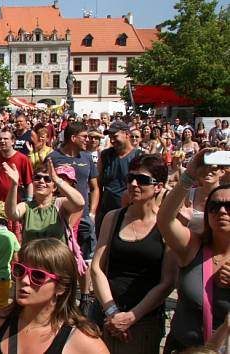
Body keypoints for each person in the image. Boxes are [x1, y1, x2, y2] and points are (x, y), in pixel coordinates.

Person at [91, 154, 178, 354]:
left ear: (159, 186)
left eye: (143, 180)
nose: (134, 184)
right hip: (105, 312)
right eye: (130, 178)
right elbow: (97, 267)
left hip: (144, 320)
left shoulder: (167, 225)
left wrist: (131, 317)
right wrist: (112, 311)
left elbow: (167, 281)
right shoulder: (113, 218)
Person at [0, 238, 109, 354]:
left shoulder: (83, 342)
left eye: (38, 275)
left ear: (61, 287)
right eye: (20, 270)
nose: (24, 280)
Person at [158, 149, 230, 353]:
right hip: (181, 347)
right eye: (215, 206)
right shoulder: (194, 247)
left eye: (229, 206)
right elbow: (165, 220)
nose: (222, 211)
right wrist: (188, 176)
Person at [49, 122, 100, 313]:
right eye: (84, 137)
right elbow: (45, 184)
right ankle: (61, 295)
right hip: (60, 217)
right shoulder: (53, 158)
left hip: (85, 217)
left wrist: (93, 212)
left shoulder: (87, 158)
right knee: (61, 257)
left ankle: (85, 296)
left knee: (85, 259)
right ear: (73, 138)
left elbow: (94, 187)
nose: (88, 140)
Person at [4, 158, 85, 249]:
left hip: (56, 261)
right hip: (31, 260)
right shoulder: (26, 206)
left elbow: (80, 203)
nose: (41, 181)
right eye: (37, 178)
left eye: (47, 179)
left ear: (54, 188)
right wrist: (14, 184)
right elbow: (11, 214)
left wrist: (56, 179)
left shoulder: (60, 203)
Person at [96, 120, 141, 231]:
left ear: (126, 134)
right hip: (106, 211)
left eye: (115, 136)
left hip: (129, 212)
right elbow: (97, 183)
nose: (112, 140)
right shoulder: (105, 155)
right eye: (110, 137)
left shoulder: (139, 156)